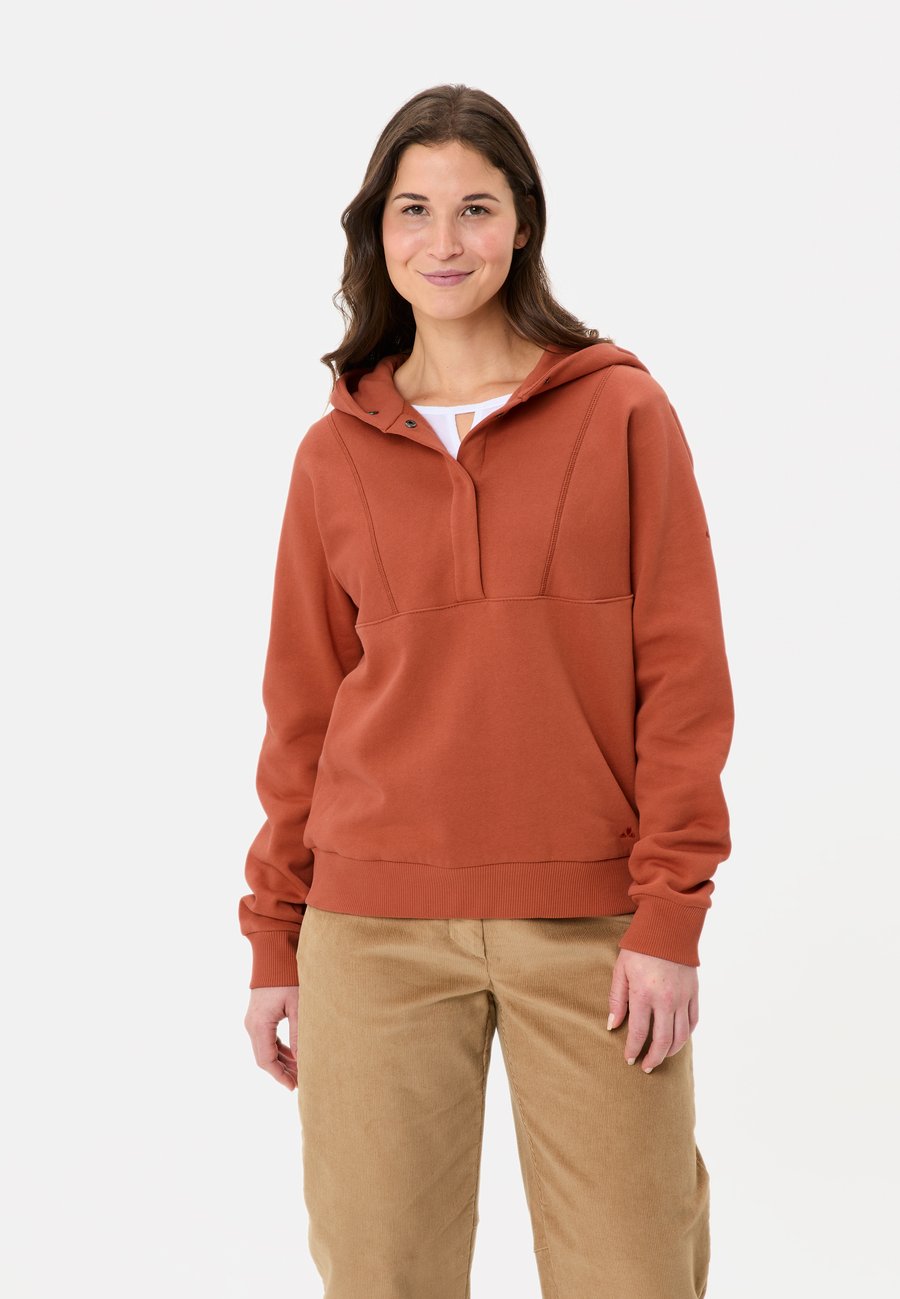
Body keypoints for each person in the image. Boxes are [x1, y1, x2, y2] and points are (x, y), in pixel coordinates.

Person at [240, 83, 734, 1299]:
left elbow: (683, 682)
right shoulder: (333, 453)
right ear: (378, 232)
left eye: (475, 207)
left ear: (522, 223)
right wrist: (274, 938)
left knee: (634, 1274)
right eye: (414, 209)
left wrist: (669, 919)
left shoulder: (622, 412)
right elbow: (302, 713)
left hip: (594, 926)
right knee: (381, 1277)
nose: (445, 239)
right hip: (371, 929)